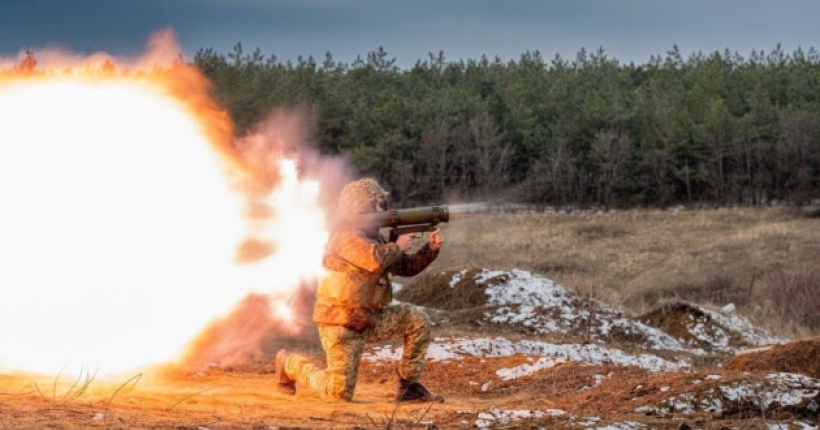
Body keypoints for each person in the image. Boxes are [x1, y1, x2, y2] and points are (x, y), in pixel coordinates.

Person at [274, 177, 445, 403]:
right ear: (363, 206)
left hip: (369, 318)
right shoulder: (345, 236)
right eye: (379, 204)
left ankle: (409, 387)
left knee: (417, 319)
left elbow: (406, 267)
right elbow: (373, 259)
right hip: (341, 324)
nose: (385, 208)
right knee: (339, 393)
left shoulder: (374, 238)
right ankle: (289, 363)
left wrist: (430, 249)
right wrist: (397, 245)